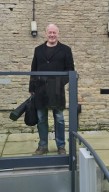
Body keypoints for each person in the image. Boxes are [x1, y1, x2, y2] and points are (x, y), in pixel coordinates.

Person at [29, 24, 74, 155]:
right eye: (50, 32)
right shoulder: (38, 50)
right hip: (40, 89)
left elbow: (70, 70)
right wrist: (32, 88)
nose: (52, 35)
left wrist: (60, 83)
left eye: (54, 32)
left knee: (59, 118)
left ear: (58, 34)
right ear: (46, 34)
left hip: (56, 90)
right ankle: (43, 146)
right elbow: (33, 70)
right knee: (41, 118)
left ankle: (61, 146)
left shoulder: (66, 50)